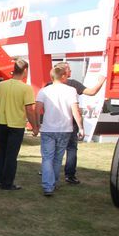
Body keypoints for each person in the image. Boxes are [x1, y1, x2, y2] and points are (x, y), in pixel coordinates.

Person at [53, 62, 106, 184]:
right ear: (64, 72)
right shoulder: (73, 85)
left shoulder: (49, 85)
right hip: (70, 123)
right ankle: (69, 175)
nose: (70, 72)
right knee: (71, 149)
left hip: (54, 124)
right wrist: (101, 81)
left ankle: (48, 171)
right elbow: (92, 92)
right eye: (69, 70)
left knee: (53, 149)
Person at [0, 58, 39, 190]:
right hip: (16, 125)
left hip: (1, 123)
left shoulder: (1, 85)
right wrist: (34, 127)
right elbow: (30, 110)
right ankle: (7, 183)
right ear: (25, 71)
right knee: (11, 155)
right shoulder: (26, 88)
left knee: (1, 152)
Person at [36, 65, 85, 196]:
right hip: (65, 129)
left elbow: (37, 109)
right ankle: (54, 183)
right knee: (57, 159)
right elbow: (76, 111)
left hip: (48, 129)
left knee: (47, 158)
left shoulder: (44, 91)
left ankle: (48, 186)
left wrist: (36, 125)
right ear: (63, 76)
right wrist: (80, 127)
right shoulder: (71, 90)